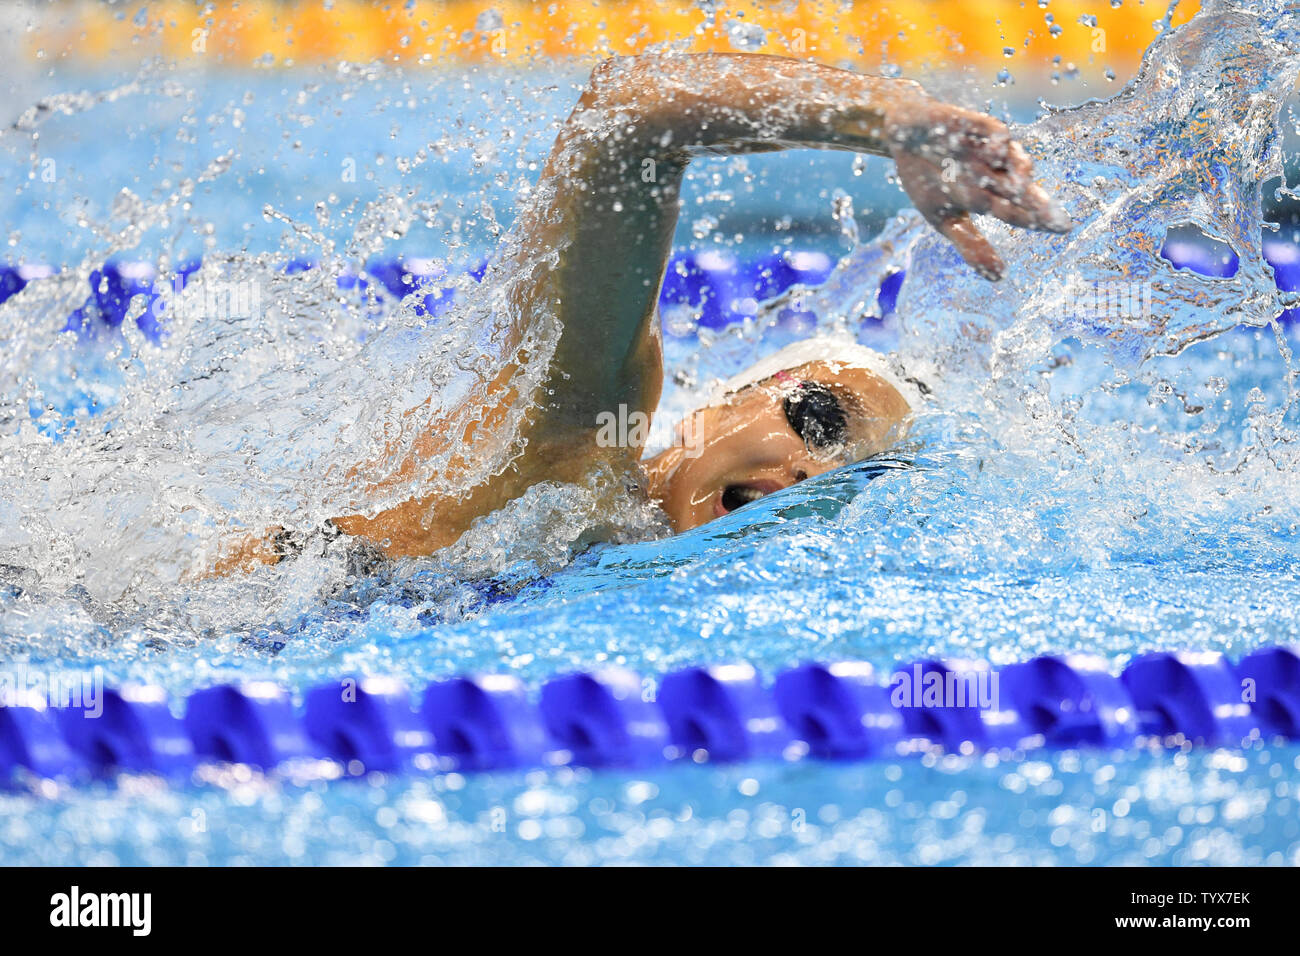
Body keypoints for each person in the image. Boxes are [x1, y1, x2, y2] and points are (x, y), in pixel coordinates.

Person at [216, 52, 1069, 573]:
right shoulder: (586, 450)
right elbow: (627, 111)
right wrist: (893, 119)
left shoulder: (621, 544)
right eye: (815, 418)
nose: (813, 472)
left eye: (847, 481)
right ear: (730, 396)